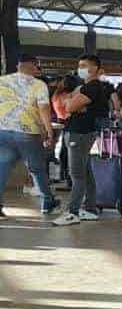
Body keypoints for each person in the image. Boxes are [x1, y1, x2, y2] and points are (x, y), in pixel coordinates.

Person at [52, 54, 112, 226]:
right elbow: (71, 105)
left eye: (85, 65)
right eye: (80, 65)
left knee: (77, 174)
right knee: (85, 171)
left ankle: (73, 212)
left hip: (79, 133)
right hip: (84, 132)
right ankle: (90, 208)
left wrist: (72, 101)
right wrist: (74, 101)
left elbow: (68, 107)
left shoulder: (91, 87)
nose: (81, 69)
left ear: (96, 68)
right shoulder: (91, 87)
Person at [0, 59, 58, 216]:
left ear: (18, 66)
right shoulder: (38, 85)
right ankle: (47, 201)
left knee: (2, 167)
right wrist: (49, 131)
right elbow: (44, 109)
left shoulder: (2, 81)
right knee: (37, 168)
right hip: (28, 132)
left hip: (3, 131)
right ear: (33, 66)